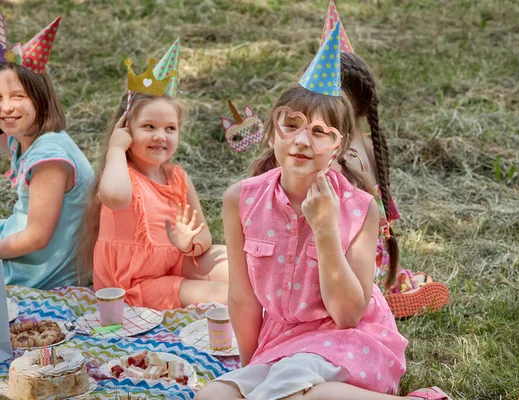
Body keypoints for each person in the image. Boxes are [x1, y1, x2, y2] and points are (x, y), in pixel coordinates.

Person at [198, 22, 450, 400]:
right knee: (212, 397)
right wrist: (251, 368)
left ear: (339, 146)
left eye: (320, 132)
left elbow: (349, 314)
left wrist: (326, 229)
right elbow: (243, 299)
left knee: (298, 394)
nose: (302, 140)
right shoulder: (242, 200)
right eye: (292, 124)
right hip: (282, 342)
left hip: (350, 340)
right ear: (272, 131)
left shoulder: (360, 209)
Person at [79, 40, 228, 310]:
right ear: (126, 129)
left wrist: (189, 244)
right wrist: (115, 148)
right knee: (223, 294)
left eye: (170, 128)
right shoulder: (120, 175)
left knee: (238, 266)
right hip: (132, 284)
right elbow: (114, 196)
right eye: (149, 126)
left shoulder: (177, 176)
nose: (161, 136)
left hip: (173, 260)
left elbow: (203, 235)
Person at [0, 16, 94, 289]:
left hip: (42, 273)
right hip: (22, 244)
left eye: (18, 97)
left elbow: (37, 237)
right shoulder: (26, 137)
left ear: (40, 98)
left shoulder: (49, 158)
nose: (6, 107)